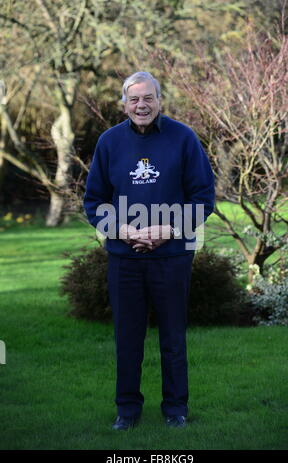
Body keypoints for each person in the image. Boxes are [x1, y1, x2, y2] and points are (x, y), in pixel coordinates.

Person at [84, 71, 215, 430]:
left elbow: (203, 198)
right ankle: (127, 410)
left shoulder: (183, 138)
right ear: (124, 103)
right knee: (128, 339)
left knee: (173, 338)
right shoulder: (109, 142)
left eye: (148, 98)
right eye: (134, 99)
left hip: (172, 257)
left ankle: (175, 409)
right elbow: (94, 201)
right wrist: (120, 230)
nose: (141, 105)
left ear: (160, 100)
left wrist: (168, 229)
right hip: (124, 259)